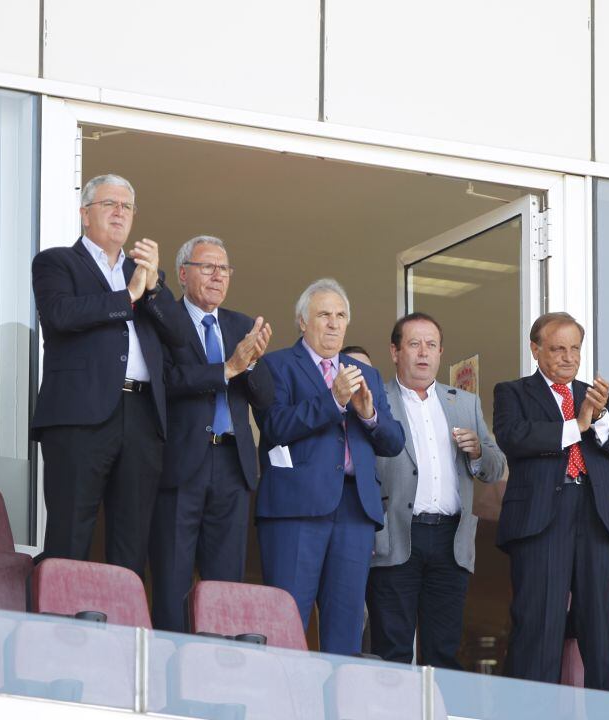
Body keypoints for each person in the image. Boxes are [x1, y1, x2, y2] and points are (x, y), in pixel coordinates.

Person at [30, 173, 174, 575]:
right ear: (84, 214)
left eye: (126, 206)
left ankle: (124, 635)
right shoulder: (57, 262)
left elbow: (178, 336)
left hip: (142, 416)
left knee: (131, 541)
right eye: (109, 204)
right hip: (80, 415)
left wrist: (154, 290)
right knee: (70, 533)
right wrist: (129, 295)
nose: (119, 212)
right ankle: (57, 628)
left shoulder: (146, 274)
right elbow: (60, 316)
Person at [254, 278, 405, 655]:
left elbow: (394, 441)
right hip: (296, 510)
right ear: (303, 322)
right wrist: (333, 401)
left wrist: (368, 414)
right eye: (324, 315)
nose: (334, 323)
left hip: (354, 510)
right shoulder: (276, 365)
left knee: (346, 630)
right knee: (287, 625)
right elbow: (275, 426)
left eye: (341, 315)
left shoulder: (364, 373)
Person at [493, 312, 609, 690]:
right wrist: (578, 426)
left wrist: (601, 415)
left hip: (594, 518)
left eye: (575, 348)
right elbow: (515, 437)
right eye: (558, 349)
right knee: (538, 628)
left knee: (599, 635)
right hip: (542, 520)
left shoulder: (596, 397)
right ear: (535, 349)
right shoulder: (513, 392)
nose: (568, 357)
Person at [145, 235, 274, 632]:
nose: (218, 276)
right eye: (208, 267)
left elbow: (266, 399)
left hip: (232, 466)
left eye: (225, 268)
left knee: (225, 584)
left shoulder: (240, 324)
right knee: (172, 580)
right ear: (183, 274)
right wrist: (228, 369)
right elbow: (165, 380)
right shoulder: (165, 317)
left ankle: (217, 675)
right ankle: (168, 673)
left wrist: (251, 364)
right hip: (181, 464)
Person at [367, 312, 505, 668]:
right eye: (414, 344)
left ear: (441, 353)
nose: (423, 353)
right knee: (392, 649)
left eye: (431, 345)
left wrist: (477, 452)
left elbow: (496, 467)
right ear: (395, 352)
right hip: (396, 533)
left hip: (451, 540)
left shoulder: (464, 403)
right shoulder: (375, 399)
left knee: (443, 651)